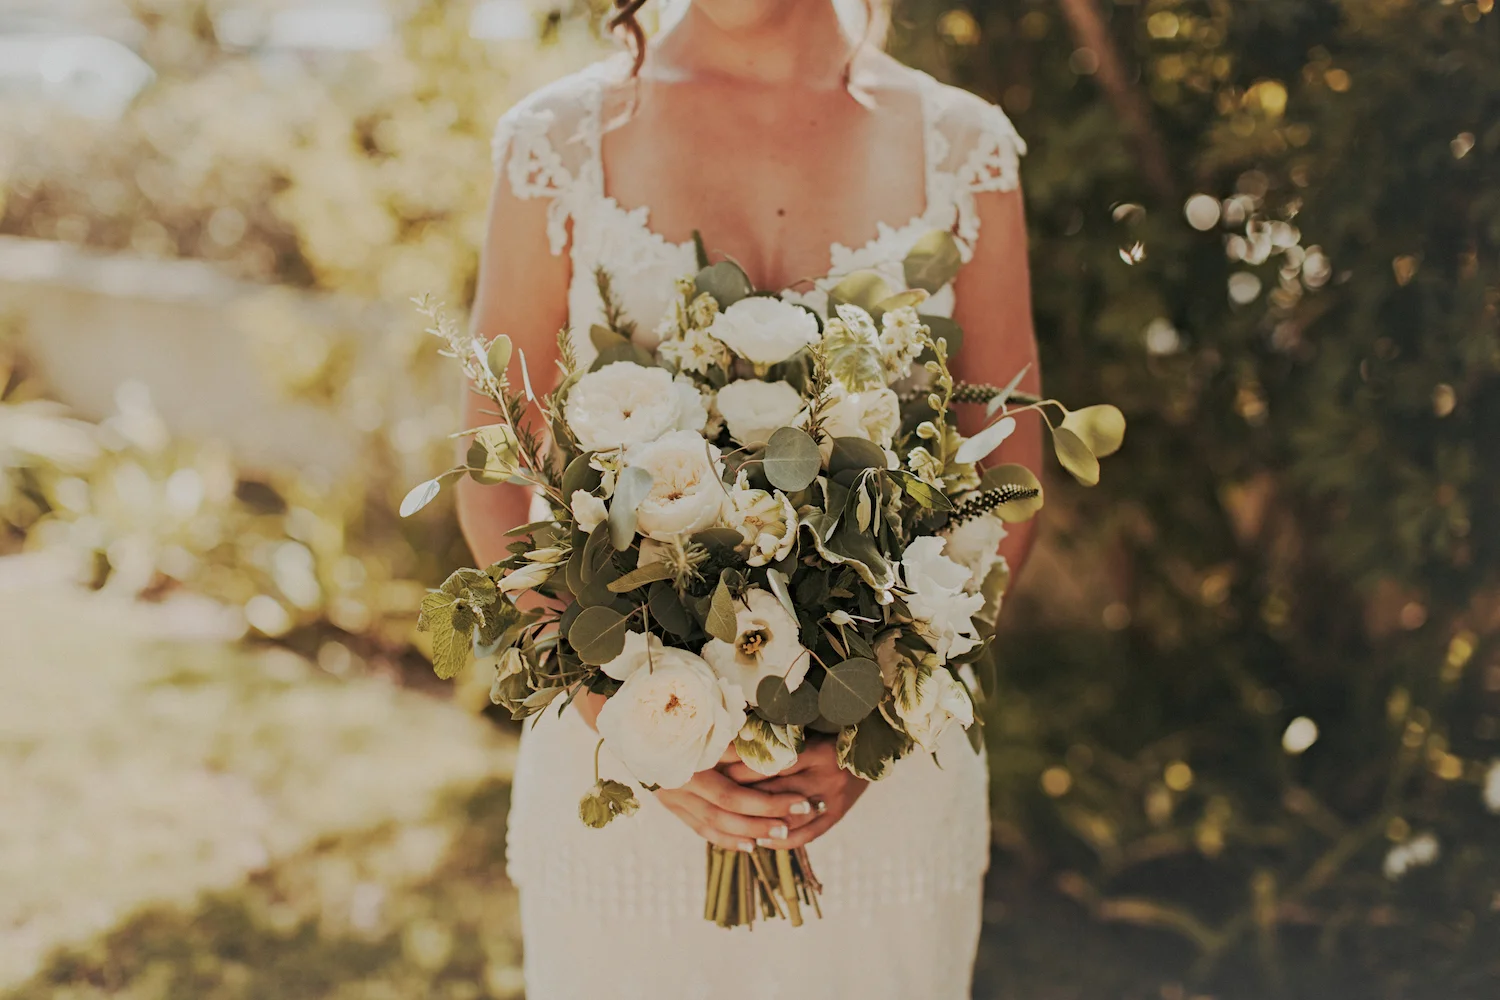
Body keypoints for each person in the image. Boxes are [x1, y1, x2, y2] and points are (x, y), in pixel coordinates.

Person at [457, 0, 1041, 995]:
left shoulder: (961, 146)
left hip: (881, 779)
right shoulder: (557, 142)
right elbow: (496, 462)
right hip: (629, 769)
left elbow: (1009, 466)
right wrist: (630, 718)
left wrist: (879, 721)